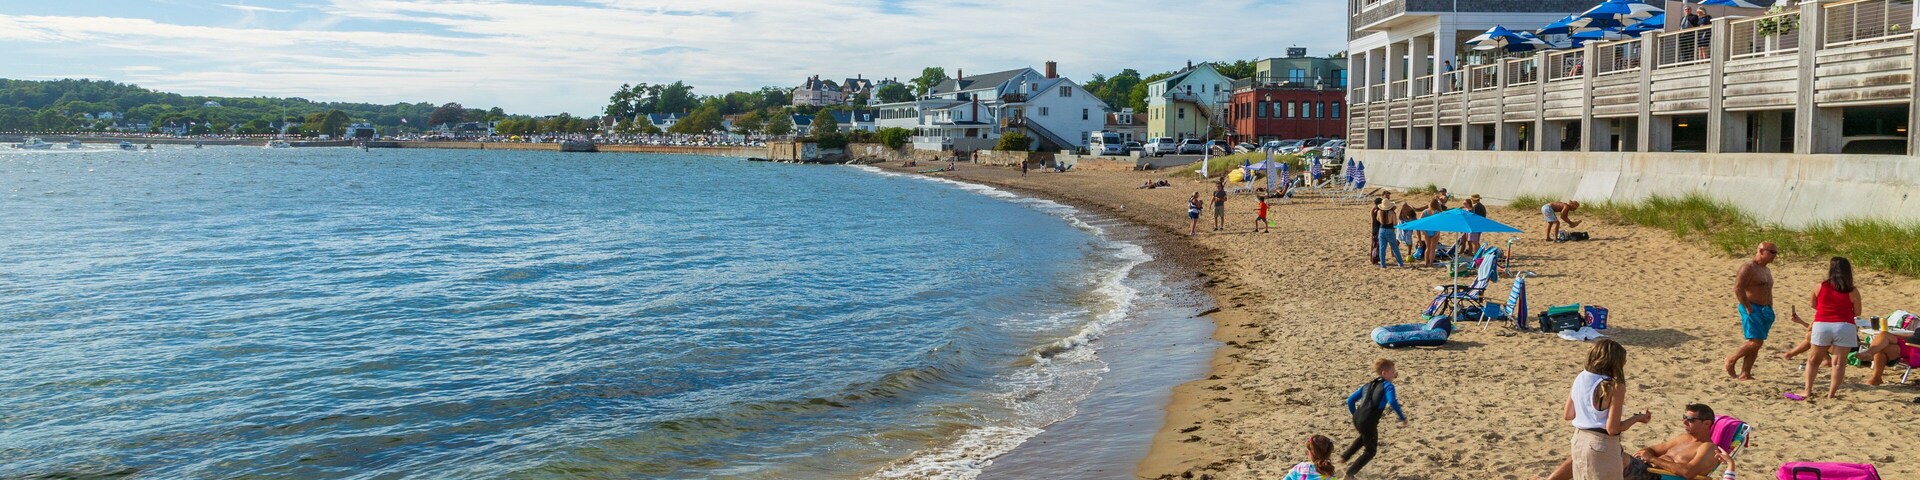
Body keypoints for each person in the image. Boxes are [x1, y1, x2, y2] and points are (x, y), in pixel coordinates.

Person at [1542, 403, 1723, 480]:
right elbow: (1649, 448)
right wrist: (1650, 455)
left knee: (1601, 453)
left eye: (1690, 420)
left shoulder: (1709, 448)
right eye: (1684, 417)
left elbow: (1689, 472)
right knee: (1591, 452)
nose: (1684, 422)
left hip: (1655, 475)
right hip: (1644, 467)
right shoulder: (1684, 438)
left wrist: (1653, 459)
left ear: (1707, 424)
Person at [1567, 339, 1652, 480]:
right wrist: (1637, 418)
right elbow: (1613, 428)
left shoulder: (1580, 377)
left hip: (1578, 440)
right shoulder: (1613, 385)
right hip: (1601, 445)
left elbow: (1569, 414)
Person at [1788, 257, 1863, 400]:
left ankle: (1808, 390)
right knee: (1839, 364)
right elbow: (1858, 312)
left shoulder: (1820, 286)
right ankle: (1831, 394)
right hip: (1845, 326)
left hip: (1822, 324)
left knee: (1813, 361)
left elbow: (1813, 304)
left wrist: (1827, 309)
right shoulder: (1852, 290)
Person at [1342, 358, 1408, 478]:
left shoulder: (1368, 385)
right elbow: (1392, 401)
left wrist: (1356, 415)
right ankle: (1348, 474)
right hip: (1368, 421)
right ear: (1384, 373)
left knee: (1366, 436)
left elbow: (1350, 400)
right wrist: (1402, 418)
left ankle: (1344, 457)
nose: (1394, 374)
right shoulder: (1388, 386)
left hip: (1357, 419)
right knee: (1370, 451)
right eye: (1393, 372)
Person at [1724, 242, 1779, 381]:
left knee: (1757, 343)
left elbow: (1768, 290)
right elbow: (1738, 288)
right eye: (1772, 252)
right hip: (1752, 307)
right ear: (1761, 251)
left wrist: (1770, 308)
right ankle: (1731, 359)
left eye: (1776, 252)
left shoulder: (1766, 270)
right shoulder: (1748, 267)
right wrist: (1747, 306)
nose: (1775, 255)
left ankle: (1745, 373)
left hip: (1765, 310)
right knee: (1755, 342)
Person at [1376, 200, 1404, 269]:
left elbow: (1378, 219)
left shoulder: (1379, 212)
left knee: (1382, 248)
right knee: (1395, 247)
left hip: (1382, 229)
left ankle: (1383, 265)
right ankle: (1400, 263)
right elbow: (1394, 223)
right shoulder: (1392, 213)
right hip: (1390, 230)